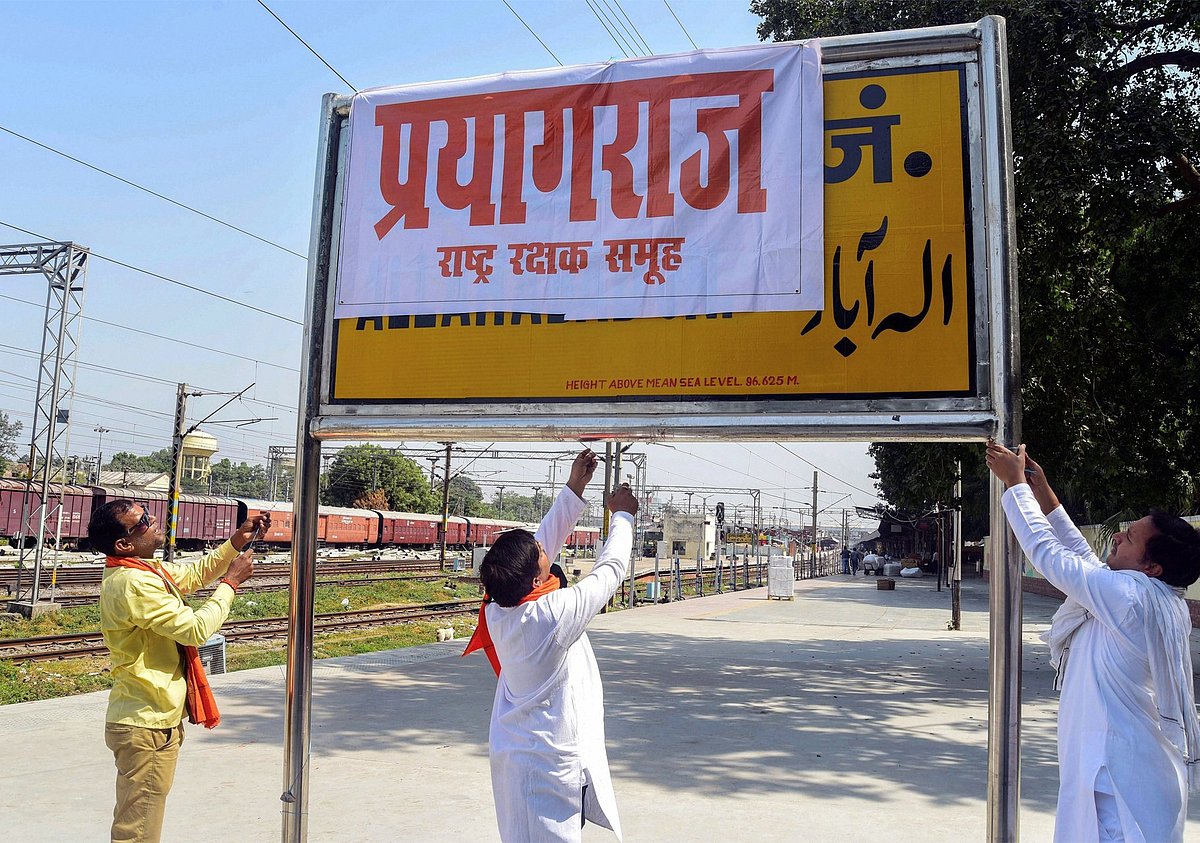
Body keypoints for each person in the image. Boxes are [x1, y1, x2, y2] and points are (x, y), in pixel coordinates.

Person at [986, 442, 1200, 842]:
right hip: (1122, 767)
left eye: (1130, 538)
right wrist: (1042, 492)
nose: (1117, 536)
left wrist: (1015, 486)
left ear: (1151, 566)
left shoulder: (1131, 598)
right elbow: (1083, 558)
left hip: (1116, 779)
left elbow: (1051, 556)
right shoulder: (1157, 597)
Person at [464, 448, 636, 842]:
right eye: (543, 556)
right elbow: (609, 572)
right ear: (536, 581)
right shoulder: (550, 616)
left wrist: (576, 487)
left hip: (517, 752)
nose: (548, 552)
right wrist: (623, 516)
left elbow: (539, 546)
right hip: (547, 763)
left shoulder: (499, 604)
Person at [93, 500, 269, 843]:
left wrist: (236, 541)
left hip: (151, 716)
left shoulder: (144, 569)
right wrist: (230, 583)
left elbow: (191, 576)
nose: (153, 519)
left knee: (140, 820)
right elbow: (195, 630)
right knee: (138, 830)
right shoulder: (133, 583)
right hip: (145, 722)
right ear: (124, 544)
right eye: (142, 520)